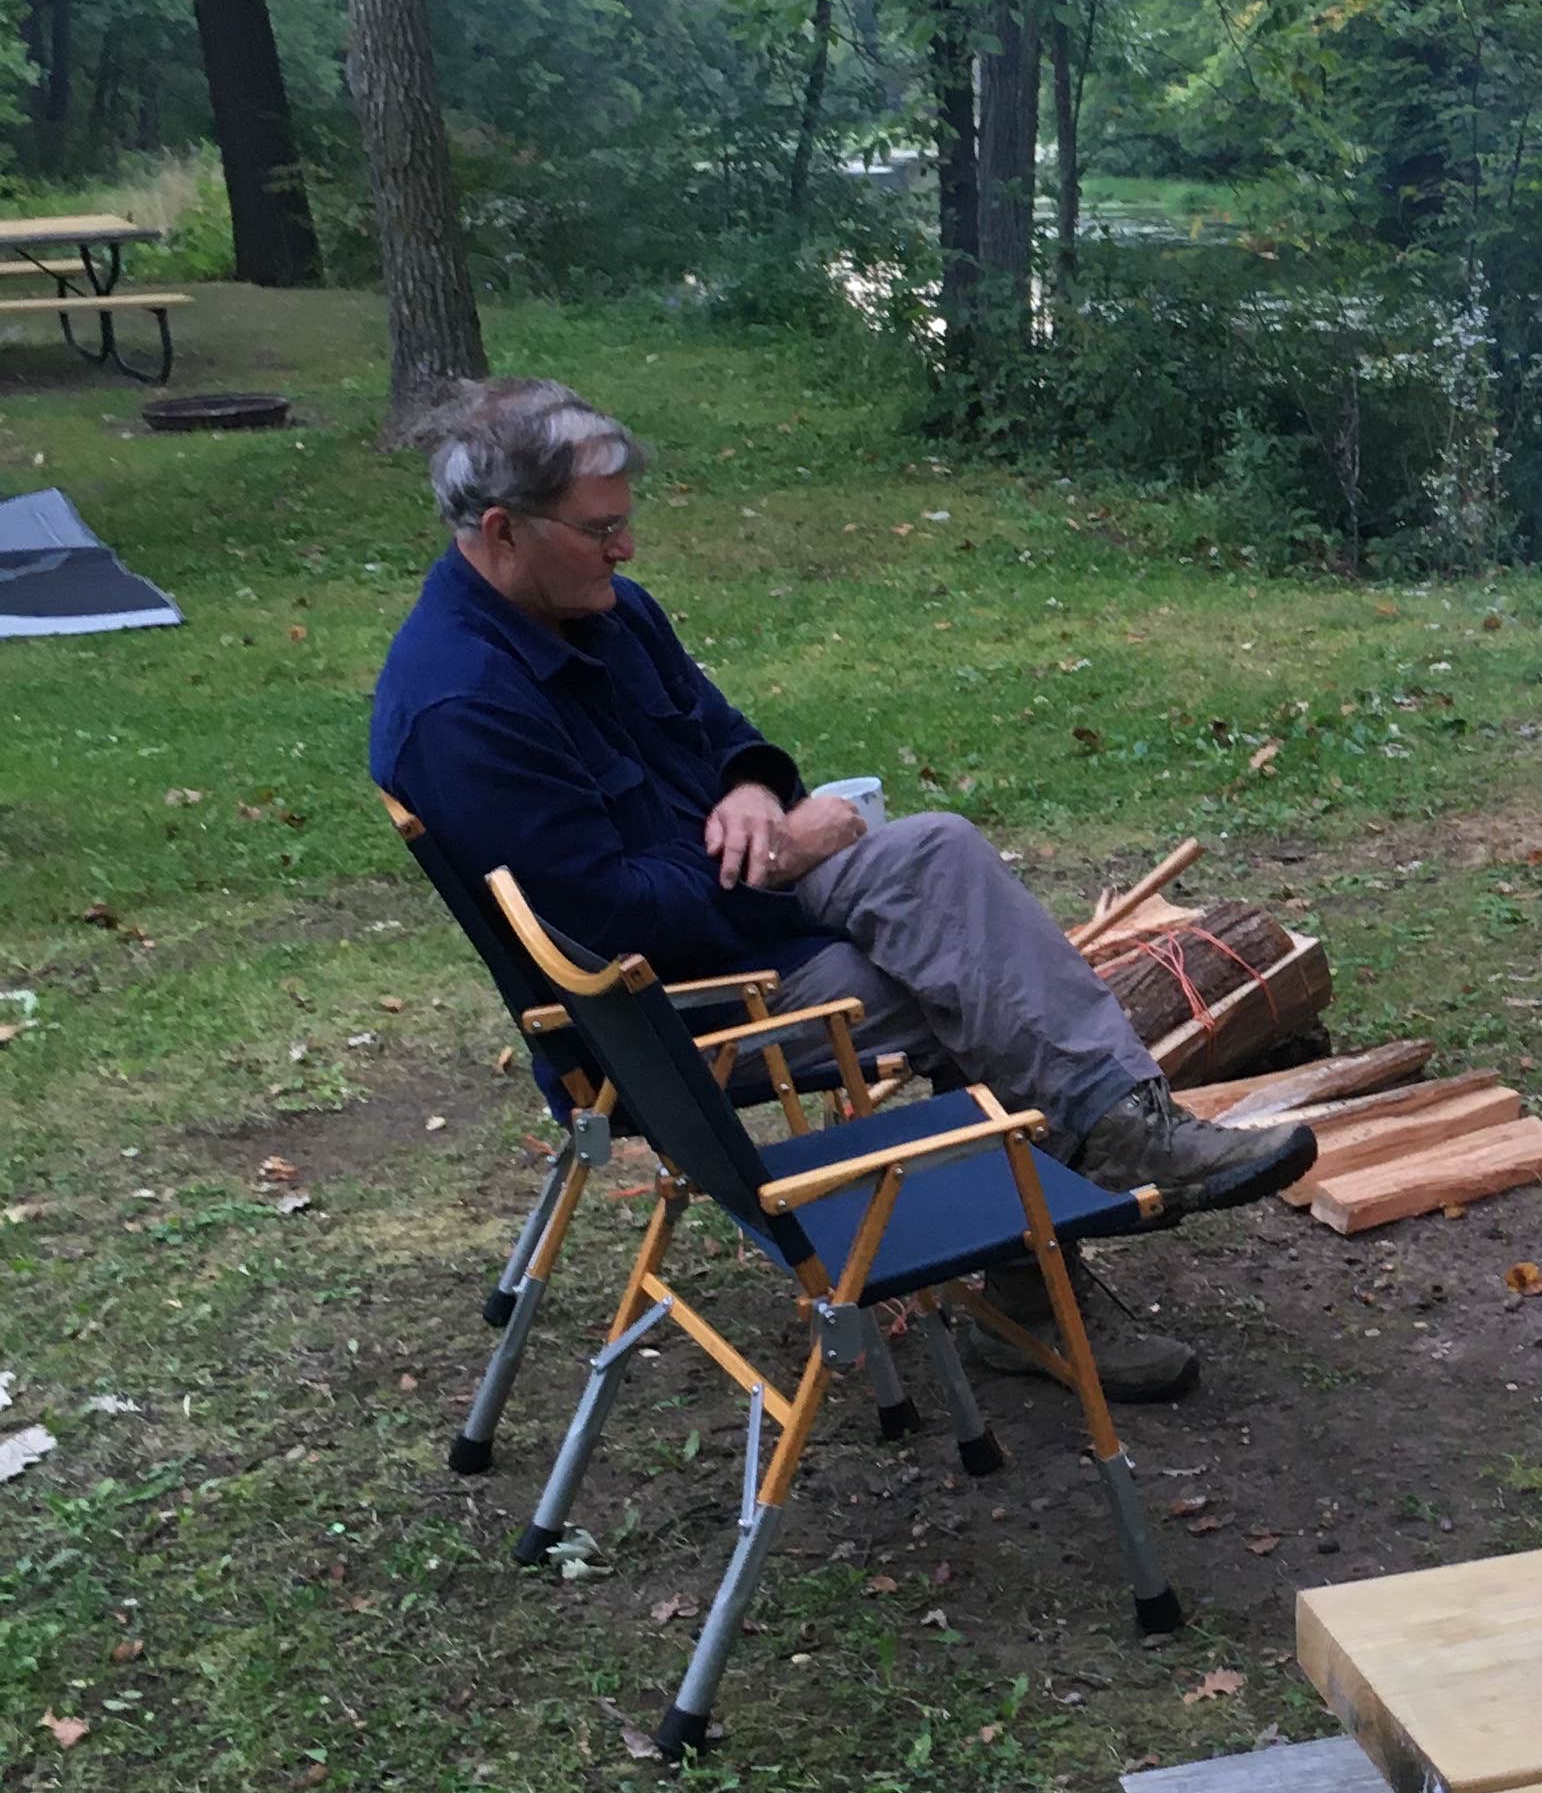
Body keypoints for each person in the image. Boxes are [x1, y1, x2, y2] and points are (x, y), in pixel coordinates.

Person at [370, 377, 1315, 1401]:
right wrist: (776, 850)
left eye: (625, 523)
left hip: (745, 906)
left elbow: (727, 736)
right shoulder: (464, 704)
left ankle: (1119, 1136)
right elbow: (618, 921)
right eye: (601, 530)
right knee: (983, 990)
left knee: (941, 853)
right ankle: (1048, 1266)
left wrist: (750, 788)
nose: (626, 551)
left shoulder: (597, 610)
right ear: (502, 531)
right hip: (675, 1006)